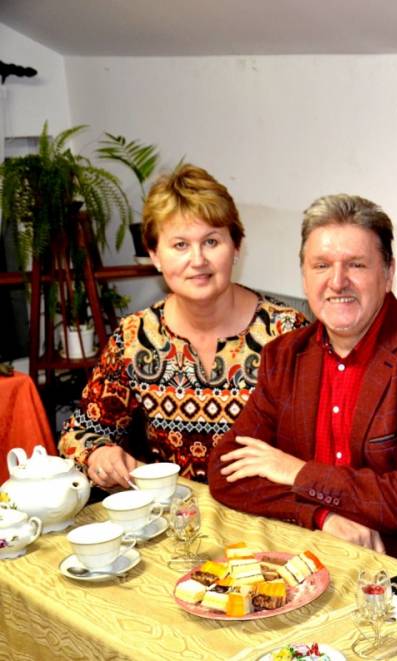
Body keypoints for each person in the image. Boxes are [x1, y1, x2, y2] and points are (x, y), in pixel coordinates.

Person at [208, 194, 397, 561]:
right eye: (321, 265)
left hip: (394, 567)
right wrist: (321, 516)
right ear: (304, 277)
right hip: (303, 554)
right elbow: (225, 471)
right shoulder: (284, 355)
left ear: (388, 274)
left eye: (356, 265)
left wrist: (298, 473)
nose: (337, 282)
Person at [59, 165, 307, 488]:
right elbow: (78, 434)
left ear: (236, 247)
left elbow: (327, 445)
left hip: (267, 513)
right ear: (154, 255)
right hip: (173, 514)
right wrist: (98, 454)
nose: (198, 260)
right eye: (180, 245)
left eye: (211, 241)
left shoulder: (288, 333)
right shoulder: (135, 337)